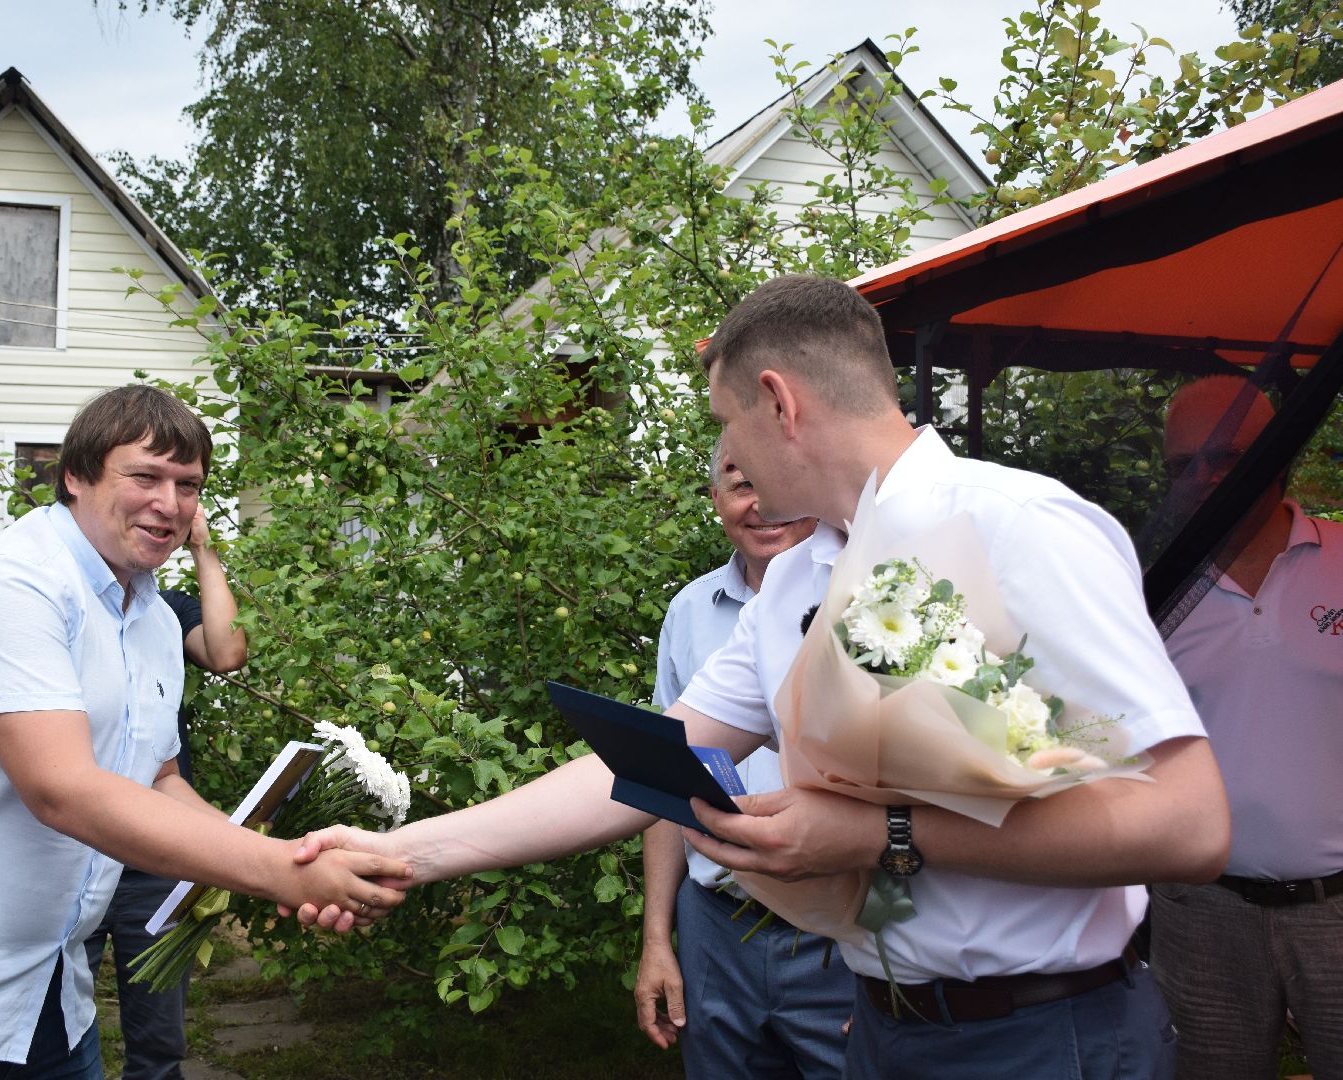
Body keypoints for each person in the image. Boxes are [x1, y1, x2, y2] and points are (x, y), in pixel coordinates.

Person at [293, 276, 1231, 1080]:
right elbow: (652, 764)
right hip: (888, 1026)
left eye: (725, 421)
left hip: (1043, 1036)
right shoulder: (798, 580)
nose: (727, 453)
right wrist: (406, 852)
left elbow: (1187, 823)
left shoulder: (1017, 528)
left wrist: (879, 834)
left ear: (778, 402)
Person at [0, 385, 410, 1079]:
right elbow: (62, 790)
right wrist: (284, 874)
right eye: (145, 476)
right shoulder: (9, 581)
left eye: (188, 484)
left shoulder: (156, 619)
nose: (170, 503)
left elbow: (160, 778)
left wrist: (286, 855)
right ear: (75, 476)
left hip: (46, 996)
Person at [634, 438, 853, 1075]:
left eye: (773, 482)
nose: (761, 504)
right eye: (738, 483)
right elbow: (662, 780)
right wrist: (658, 939)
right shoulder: (690, 610)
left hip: (836, 928)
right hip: (717, 925)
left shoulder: (866, 600)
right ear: (715, 501)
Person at [1148, 376, 1343, 1080]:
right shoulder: (1151, 590)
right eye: (1185, 464)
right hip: (1201, 908)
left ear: (1279, 453)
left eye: (1231, 455)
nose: (1207, 478)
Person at [85, 505, 246, 1080]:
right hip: (71, 842)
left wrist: (204, 546)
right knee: (45, 1027)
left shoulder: (163, 612)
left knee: (158, 1031)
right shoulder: (64, 605)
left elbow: (227, 652)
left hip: (153, 842)